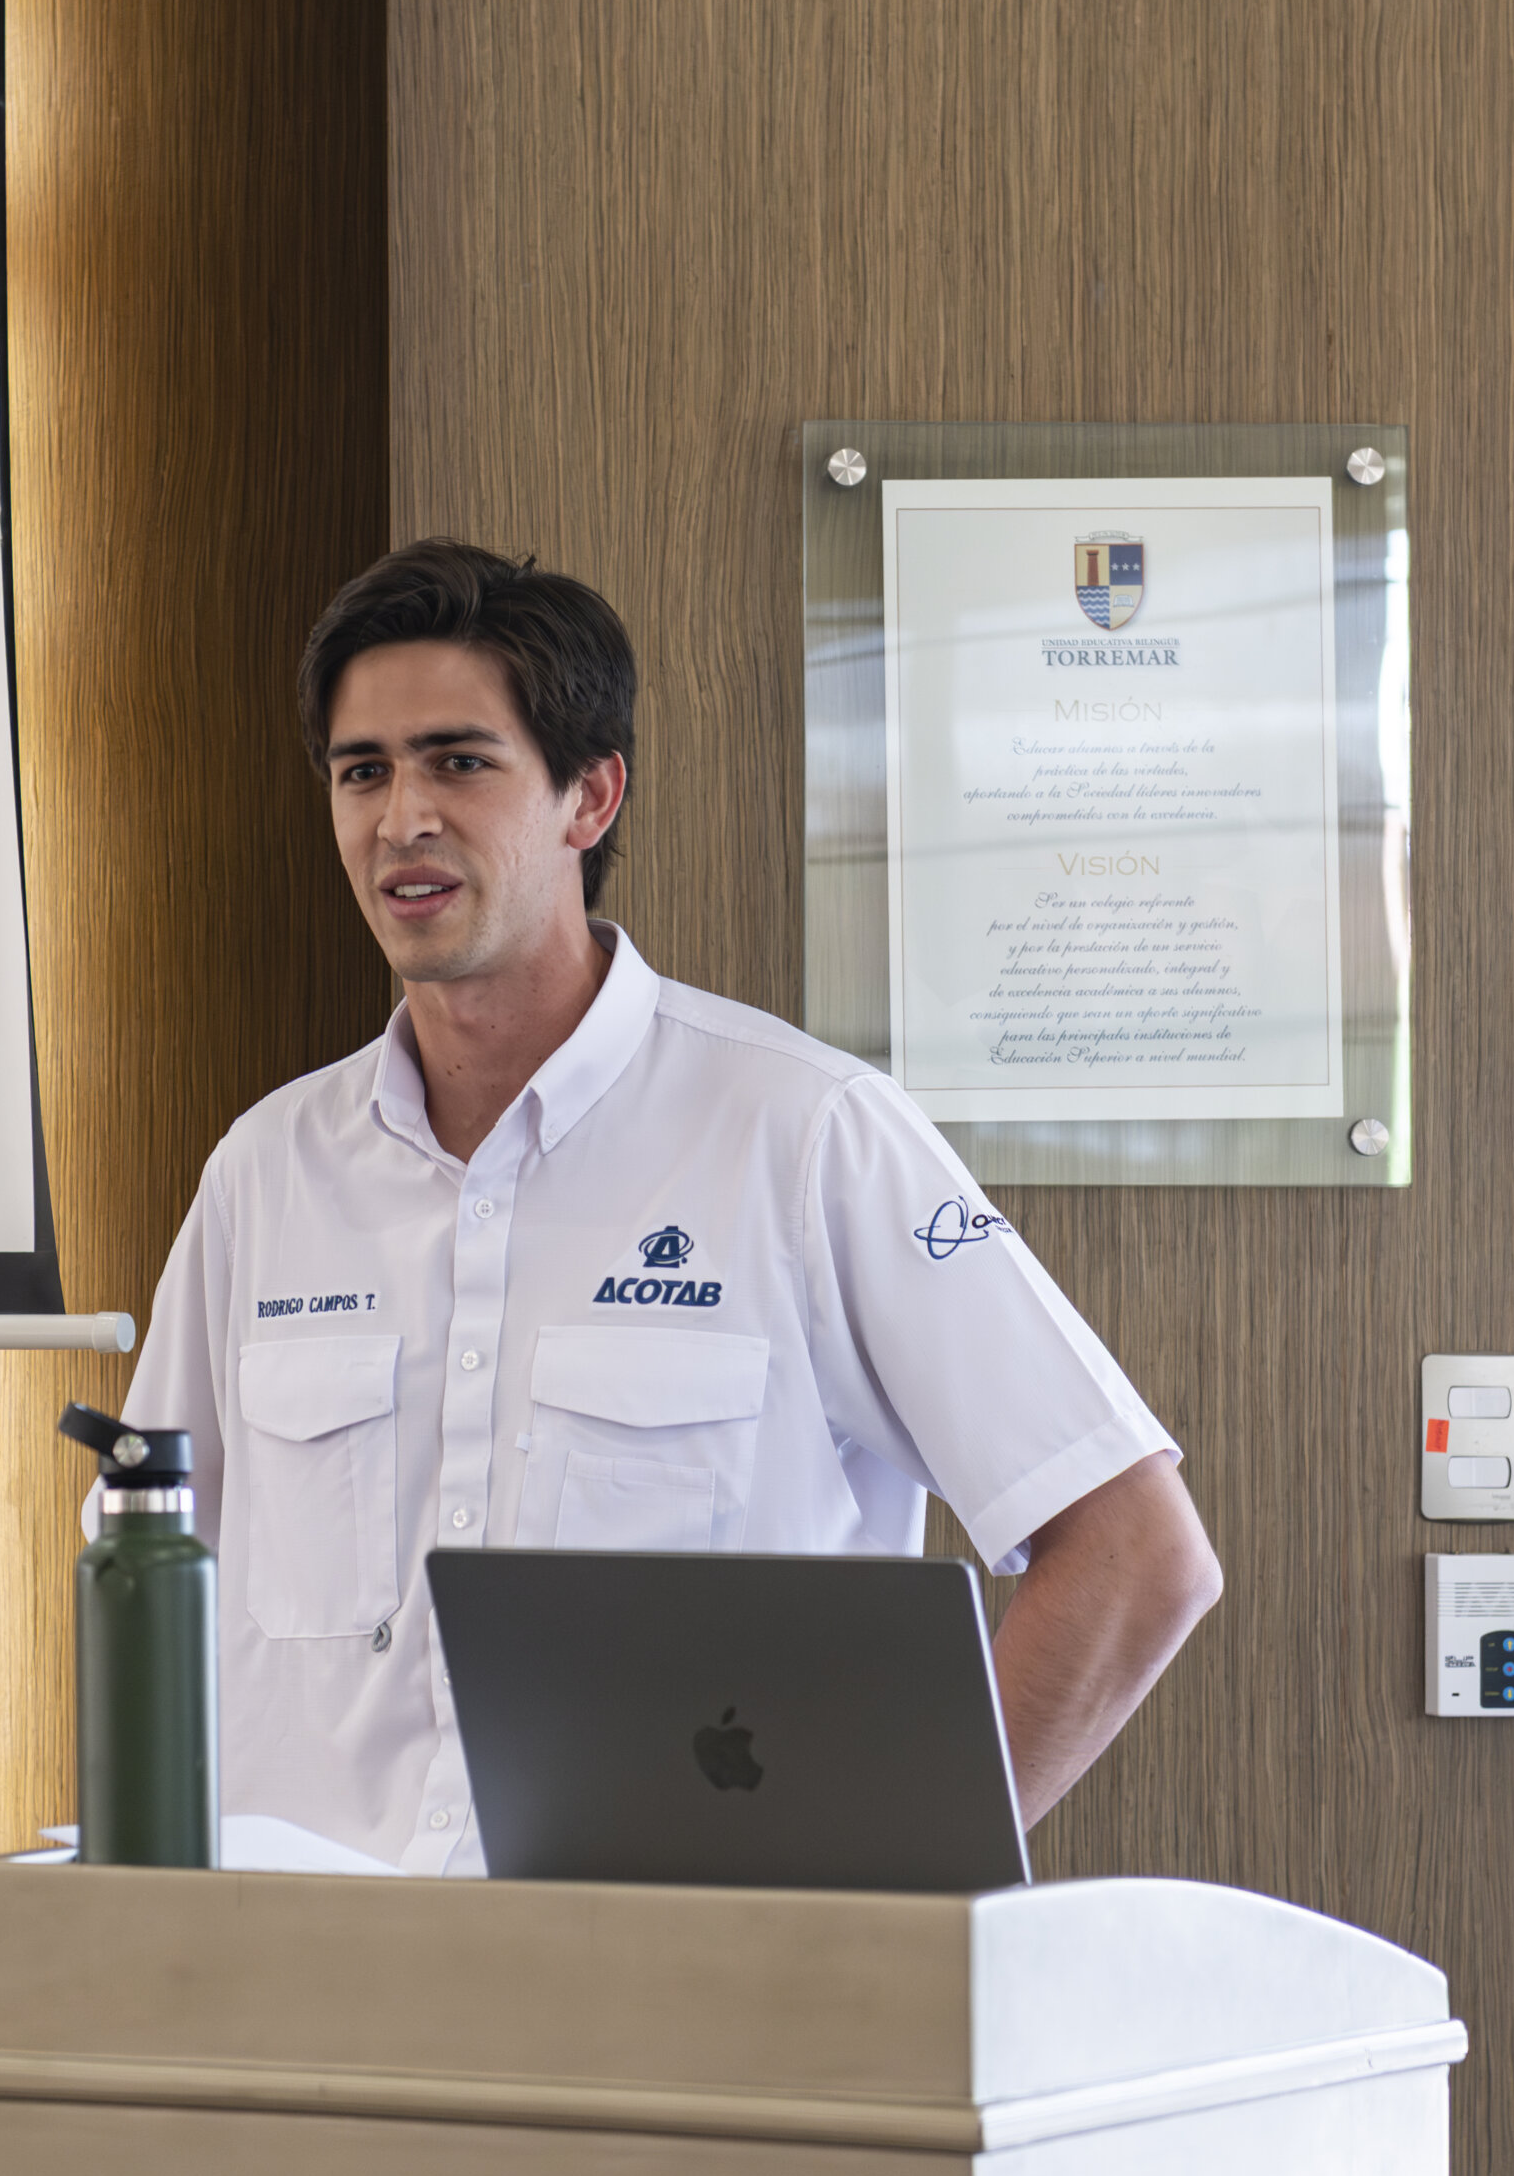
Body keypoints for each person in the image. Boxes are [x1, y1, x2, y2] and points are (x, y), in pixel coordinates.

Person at [119, 538, 1222, 1873]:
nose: (400, 817)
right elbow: (147, 1589)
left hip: (667, 1977)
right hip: (302, 1969)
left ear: (589, 796)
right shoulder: (263, 1173)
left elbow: (1135, 1556)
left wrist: (876, 1897)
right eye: (363, 772)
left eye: (458, 762)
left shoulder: (805, 1134)